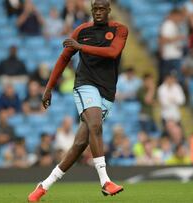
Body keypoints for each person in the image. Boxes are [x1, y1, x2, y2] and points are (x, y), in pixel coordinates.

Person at [27, 0, 128, 201]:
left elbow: (113, 53)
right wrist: (49, 87)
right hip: (85, 84)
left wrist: (82, 47)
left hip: (107, 91)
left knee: (81, 143)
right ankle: (105, 181)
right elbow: (64, 58)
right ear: (91, 11)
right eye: (95, 9)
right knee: (96, 124)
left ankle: (43, 185)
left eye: (102, 9)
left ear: (108, 10)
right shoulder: (81, 30)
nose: (98, 12)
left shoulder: (120, 30)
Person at [159, 8, 185, 84]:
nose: (180, 18)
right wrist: (177, 38)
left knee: (177, 79)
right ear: (174, 15)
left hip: (176, 55)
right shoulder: (167, 24)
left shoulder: (175, 25)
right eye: (179, 16)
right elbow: (162, 40)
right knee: (168, 79)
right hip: (169, 56)